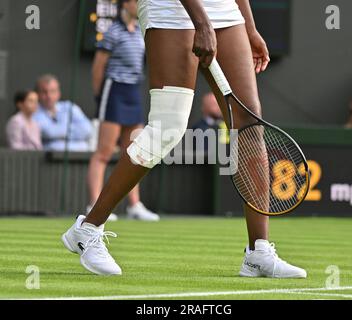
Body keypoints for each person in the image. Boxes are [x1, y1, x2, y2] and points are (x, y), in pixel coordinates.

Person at [62, 0, 307, 278]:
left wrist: (249, 27)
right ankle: (88, 227)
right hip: (171, 9)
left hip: (224, 9)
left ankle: (258, 252)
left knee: (248, 121)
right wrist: (201, 22)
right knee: (167, 127)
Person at [87, 0, 159, 222]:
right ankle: (94, 204)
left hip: (132, 92)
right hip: (114, 90)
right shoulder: (112, 32)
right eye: (135, 1)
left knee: (133, 152)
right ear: (125, 4)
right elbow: (98, 68)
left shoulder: (140, 31)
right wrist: (101, 99)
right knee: (104, 152)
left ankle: (134, 205)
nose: (138, 5)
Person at [33, 75, 93, 152]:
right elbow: (49, 132)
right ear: (37, 94)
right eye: (44, 92)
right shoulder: (33, 111)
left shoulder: (69, 107)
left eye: (52, 91)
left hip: (79, 156)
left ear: (58, 93)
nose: (49, 96)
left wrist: (61, 133)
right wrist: (72, 129)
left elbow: (87, 130)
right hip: (51, 159)